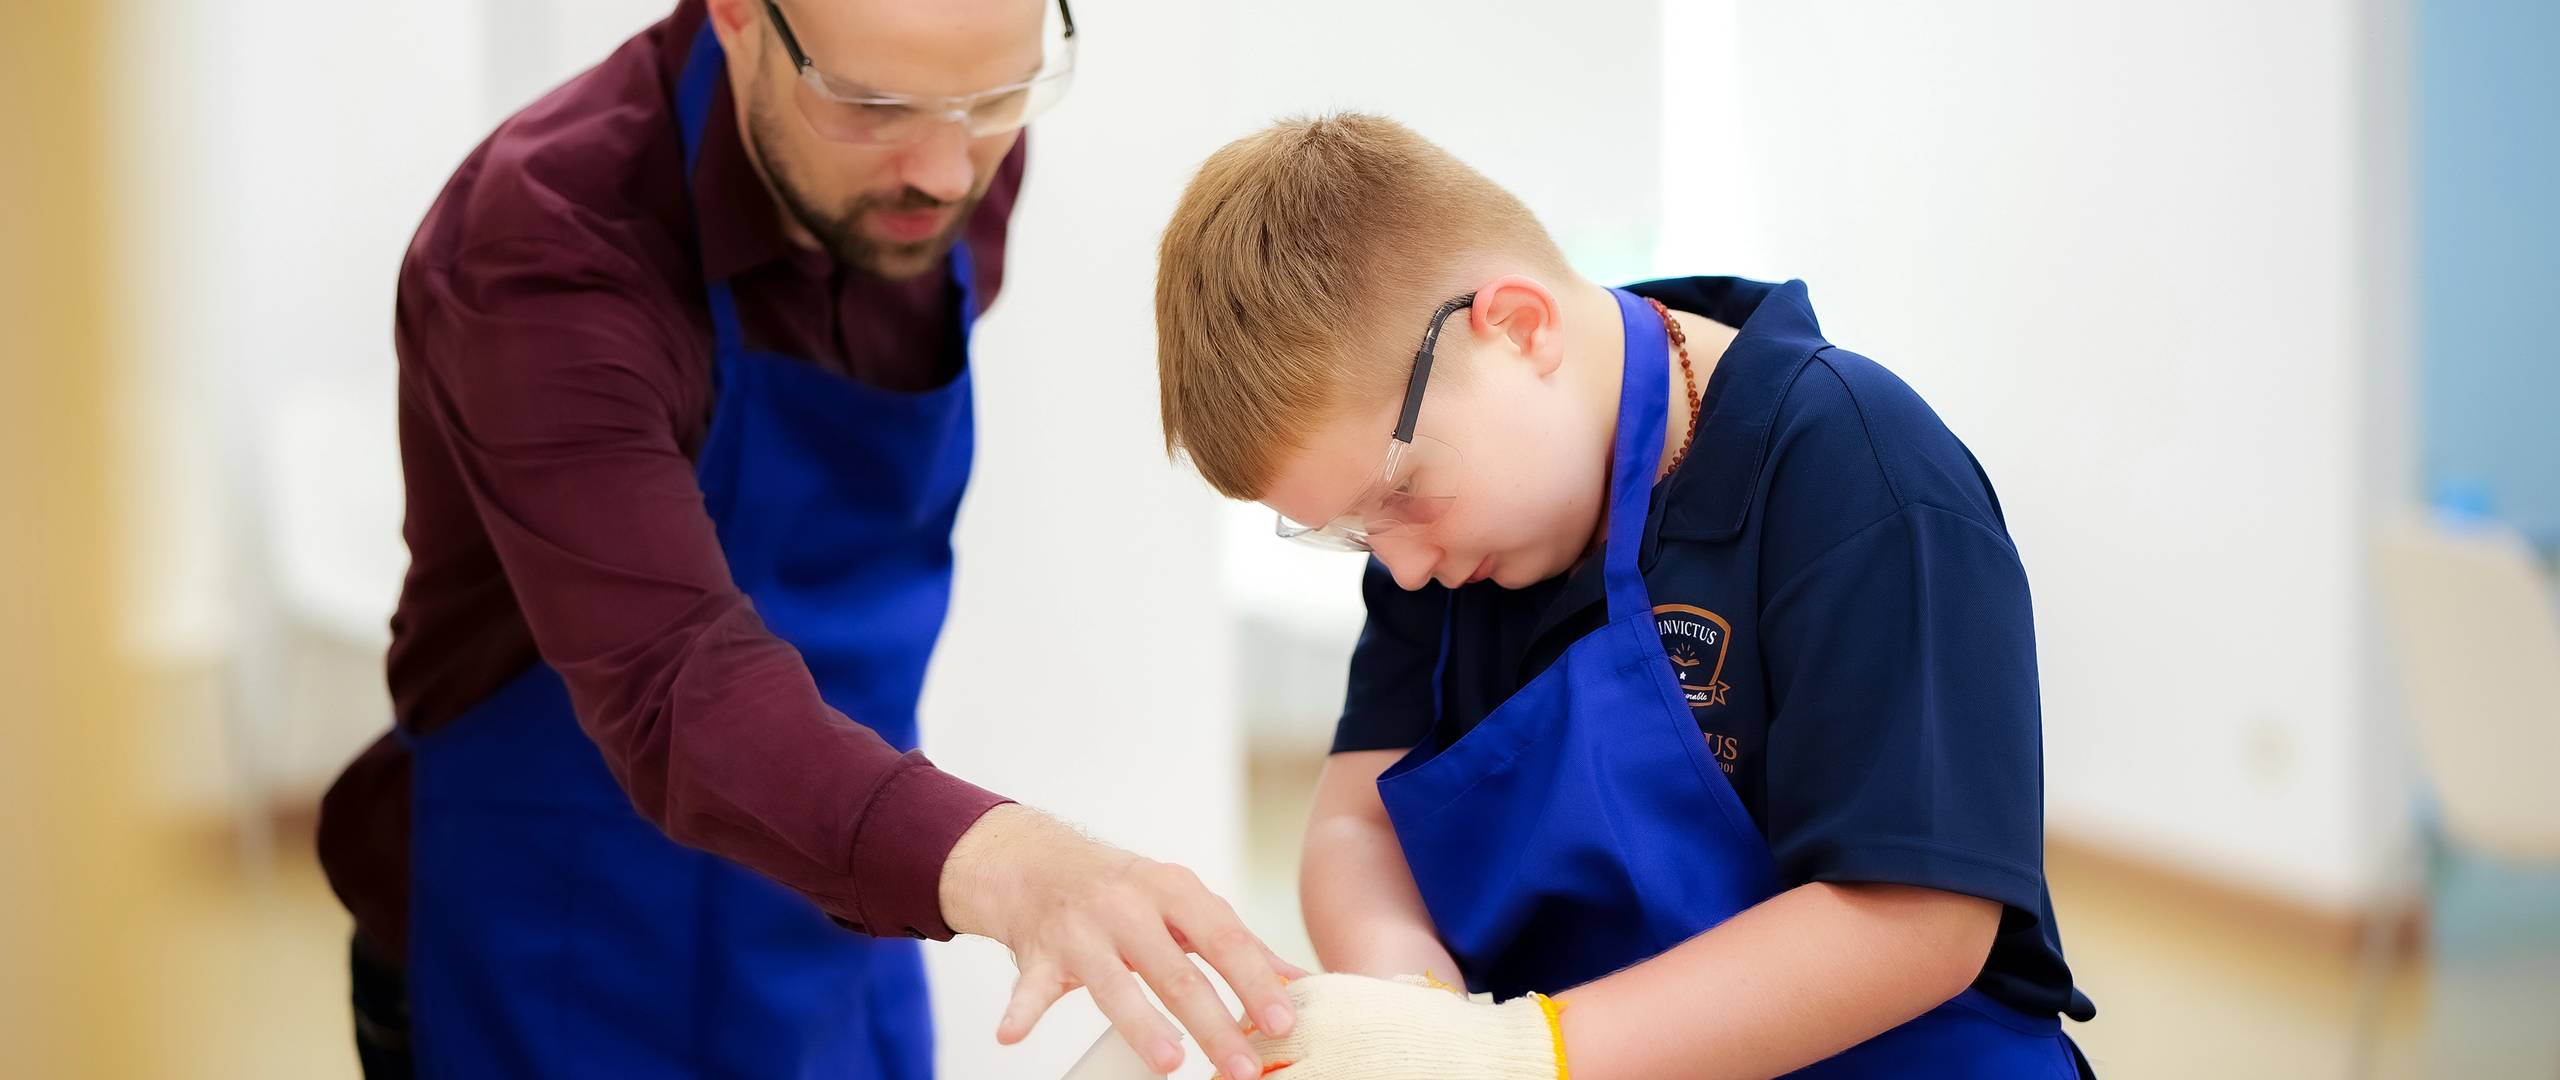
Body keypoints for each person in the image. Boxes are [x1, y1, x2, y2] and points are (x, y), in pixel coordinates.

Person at [316, 2, 1297, 1077]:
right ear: (738, 14)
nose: (941, 172)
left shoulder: (941, 161)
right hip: (556, 935)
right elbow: (672, 677)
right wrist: (1019, 864)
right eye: (874, 106)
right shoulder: (541, 251)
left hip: (831, 906)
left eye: (995, 100)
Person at [1151, 113, 2100, 1078]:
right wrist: (1419, 1020)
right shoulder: (1440, 549)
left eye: (1398, 496)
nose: (1398, 568)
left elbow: (1918, 920)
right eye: (1351, 532)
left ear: (1519, 328)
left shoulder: (1856, 470)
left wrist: (1527, 1056)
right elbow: (1356, 827)